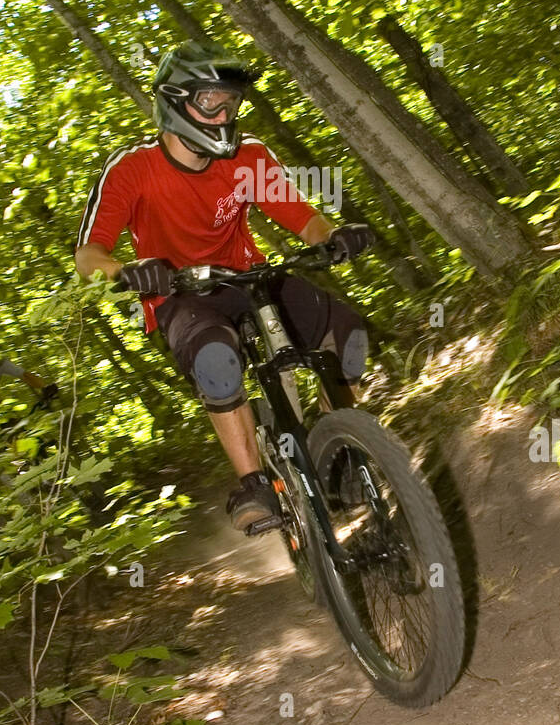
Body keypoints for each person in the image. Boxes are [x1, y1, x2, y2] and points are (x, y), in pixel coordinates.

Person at [74, 40, 374, 533]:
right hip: (178, 293)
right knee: (217, 359)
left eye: (230, 104)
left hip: (247, 279)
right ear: (173, 101)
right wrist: (124, 271)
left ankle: (342, 450)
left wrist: (331, 239)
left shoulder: (249, 157)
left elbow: (302, 218)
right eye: (210, 102)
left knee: (349, 334)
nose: (224, 114)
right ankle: (253, 483)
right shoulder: (133, 170)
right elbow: (89, 253)